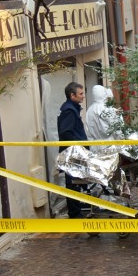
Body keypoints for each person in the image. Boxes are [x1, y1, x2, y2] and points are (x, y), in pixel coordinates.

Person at [57, 81, 88, 219]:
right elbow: (65, 133)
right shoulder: (69, 111)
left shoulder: (72, 108)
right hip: (72, 154)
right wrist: (79, 145)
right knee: (73, 184)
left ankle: (76, 212)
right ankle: (75, 215)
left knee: (75, 183)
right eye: (81, 94)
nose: (83, 96)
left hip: (74, 153)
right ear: (72, 95)